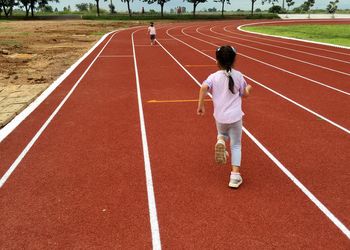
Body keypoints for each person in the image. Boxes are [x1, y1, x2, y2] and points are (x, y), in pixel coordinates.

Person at [197, 45, 252, 189]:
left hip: (220, 117)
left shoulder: (213, 77)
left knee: (222, 132)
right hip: (235, 117)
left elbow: (203, 87)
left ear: (217, 61)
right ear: (234, 61)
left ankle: (221, 139)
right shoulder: (239, 76)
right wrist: (249, 89)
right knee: (236, 145)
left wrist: (201, 105)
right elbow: (244, 94)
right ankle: (234, 177)